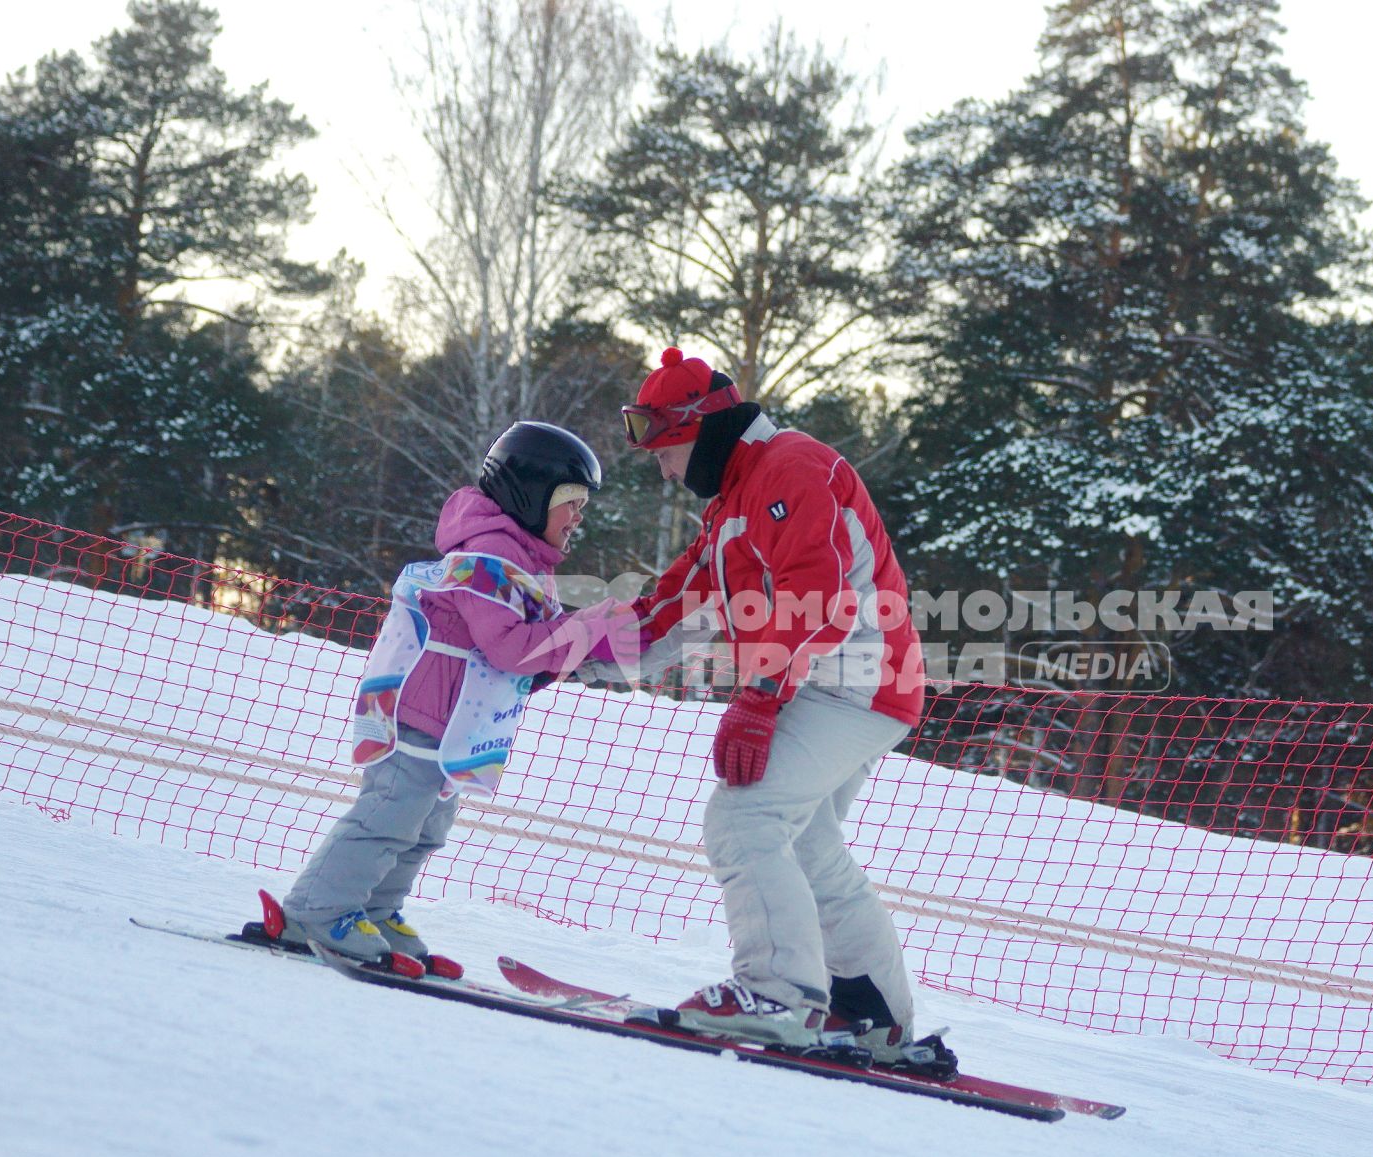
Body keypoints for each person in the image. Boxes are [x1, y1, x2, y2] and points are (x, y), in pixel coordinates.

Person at [578, 347, 937, 1067]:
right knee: (806, 845)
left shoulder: (789, 470)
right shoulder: (734, 507)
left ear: (701, 427)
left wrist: (759, 695)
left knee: (743, 817)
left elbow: (819, 592)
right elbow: (671, 609)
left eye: (668, 451)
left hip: (853, 681)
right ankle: (876, 1017)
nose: (666, 471)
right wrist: (562, 650)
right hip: (846, 686)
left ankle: (778, 994)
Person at [281, 421, 609, 966]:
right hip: (419, 713)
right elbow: (510, 648)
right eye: (570, 502)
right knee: (388, 817)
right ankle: (318, 907)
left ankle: (374, 910)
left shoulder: (524, 565)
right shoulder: (489, 558)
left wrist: (581, 647)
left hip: (459, 723)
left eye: (582, 506)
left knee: (424, 829)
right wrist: (584, 632)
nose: (578, 518)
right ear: (529, 495)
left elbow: (529, 657)